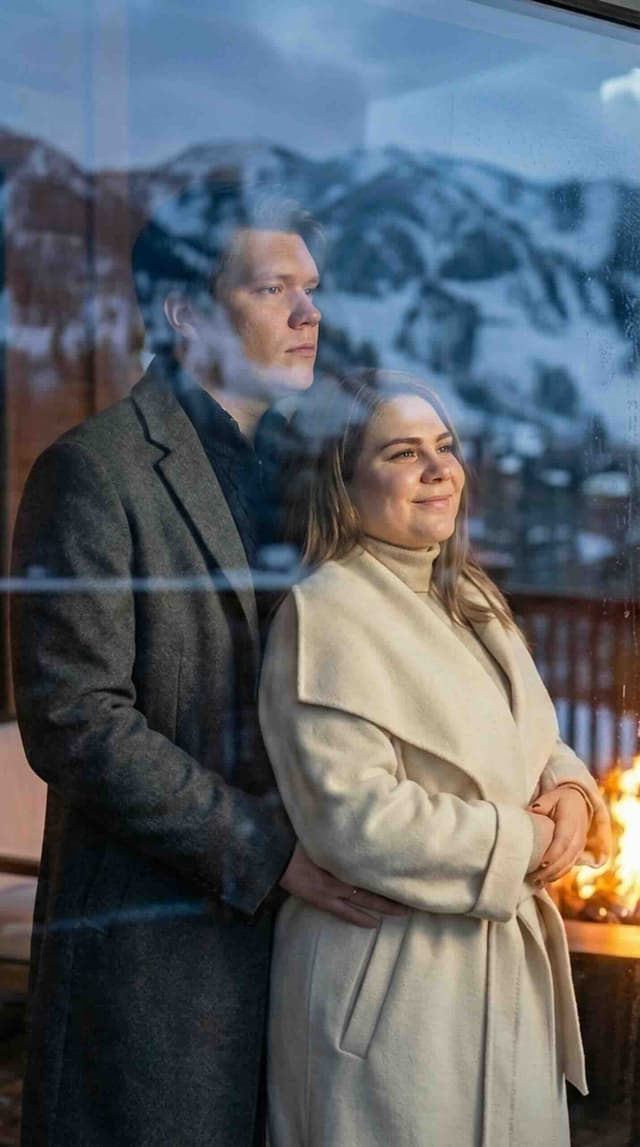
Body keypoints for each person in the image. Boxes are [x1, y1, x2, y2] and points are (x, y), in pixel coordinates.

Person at [10, 185, 403, 1147]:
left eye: (312, 288)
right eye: (276, 289)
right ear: (187, 312)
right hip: (155, 970)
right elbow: (76, 720)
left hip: (309, 970)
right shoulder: (93, 470)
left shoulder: (322, 479)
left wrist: (560, 780)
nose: (310, 314)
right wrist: (271, 856)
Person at [259, 369, 611, 1147]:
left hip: (497, 984)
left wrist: (573, 792)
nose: (439, 469)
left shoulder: (470, 597)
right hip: (394, 994)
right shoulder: (324, 614)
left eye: (445, 447)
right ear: (343, 482)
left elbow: (531, 737)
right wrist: (525, 840)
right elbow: (355, 822)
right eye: (403, 453)